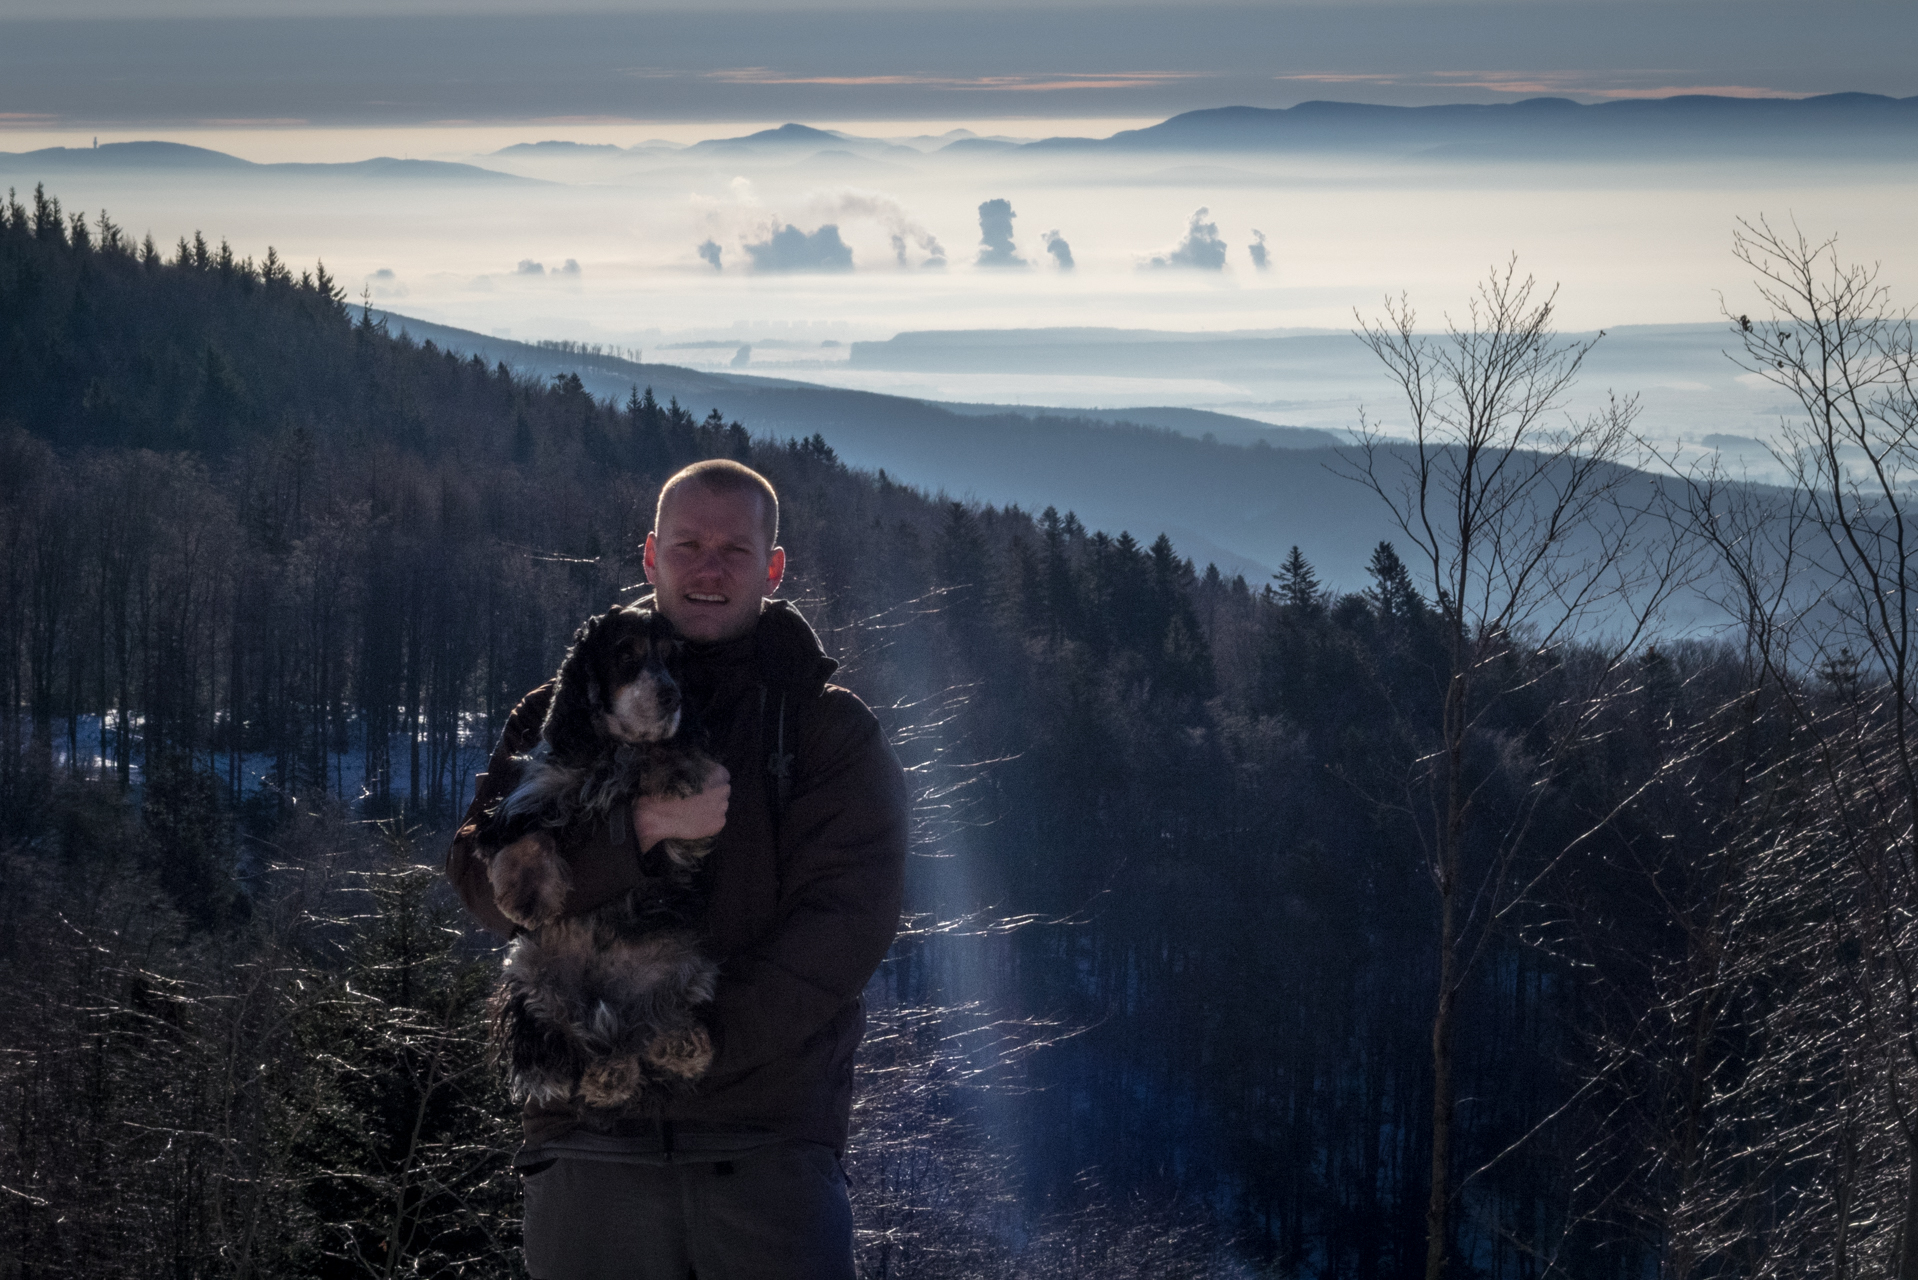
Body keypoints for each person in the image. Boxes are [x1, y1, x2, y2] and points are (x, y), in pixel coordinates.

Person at [445, 458, 909, 1279]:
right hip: (590, 1148)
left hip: (763, 1150)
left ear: (773, 568)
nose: (708, 566)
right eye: (689, 543)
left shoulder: (824, 728)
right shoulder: (563, 709)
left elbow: (842, 930)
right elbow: (484, 885)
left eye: (735, 549)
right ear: (650, 554)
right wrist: (637, 834)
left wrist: (684, 1048)